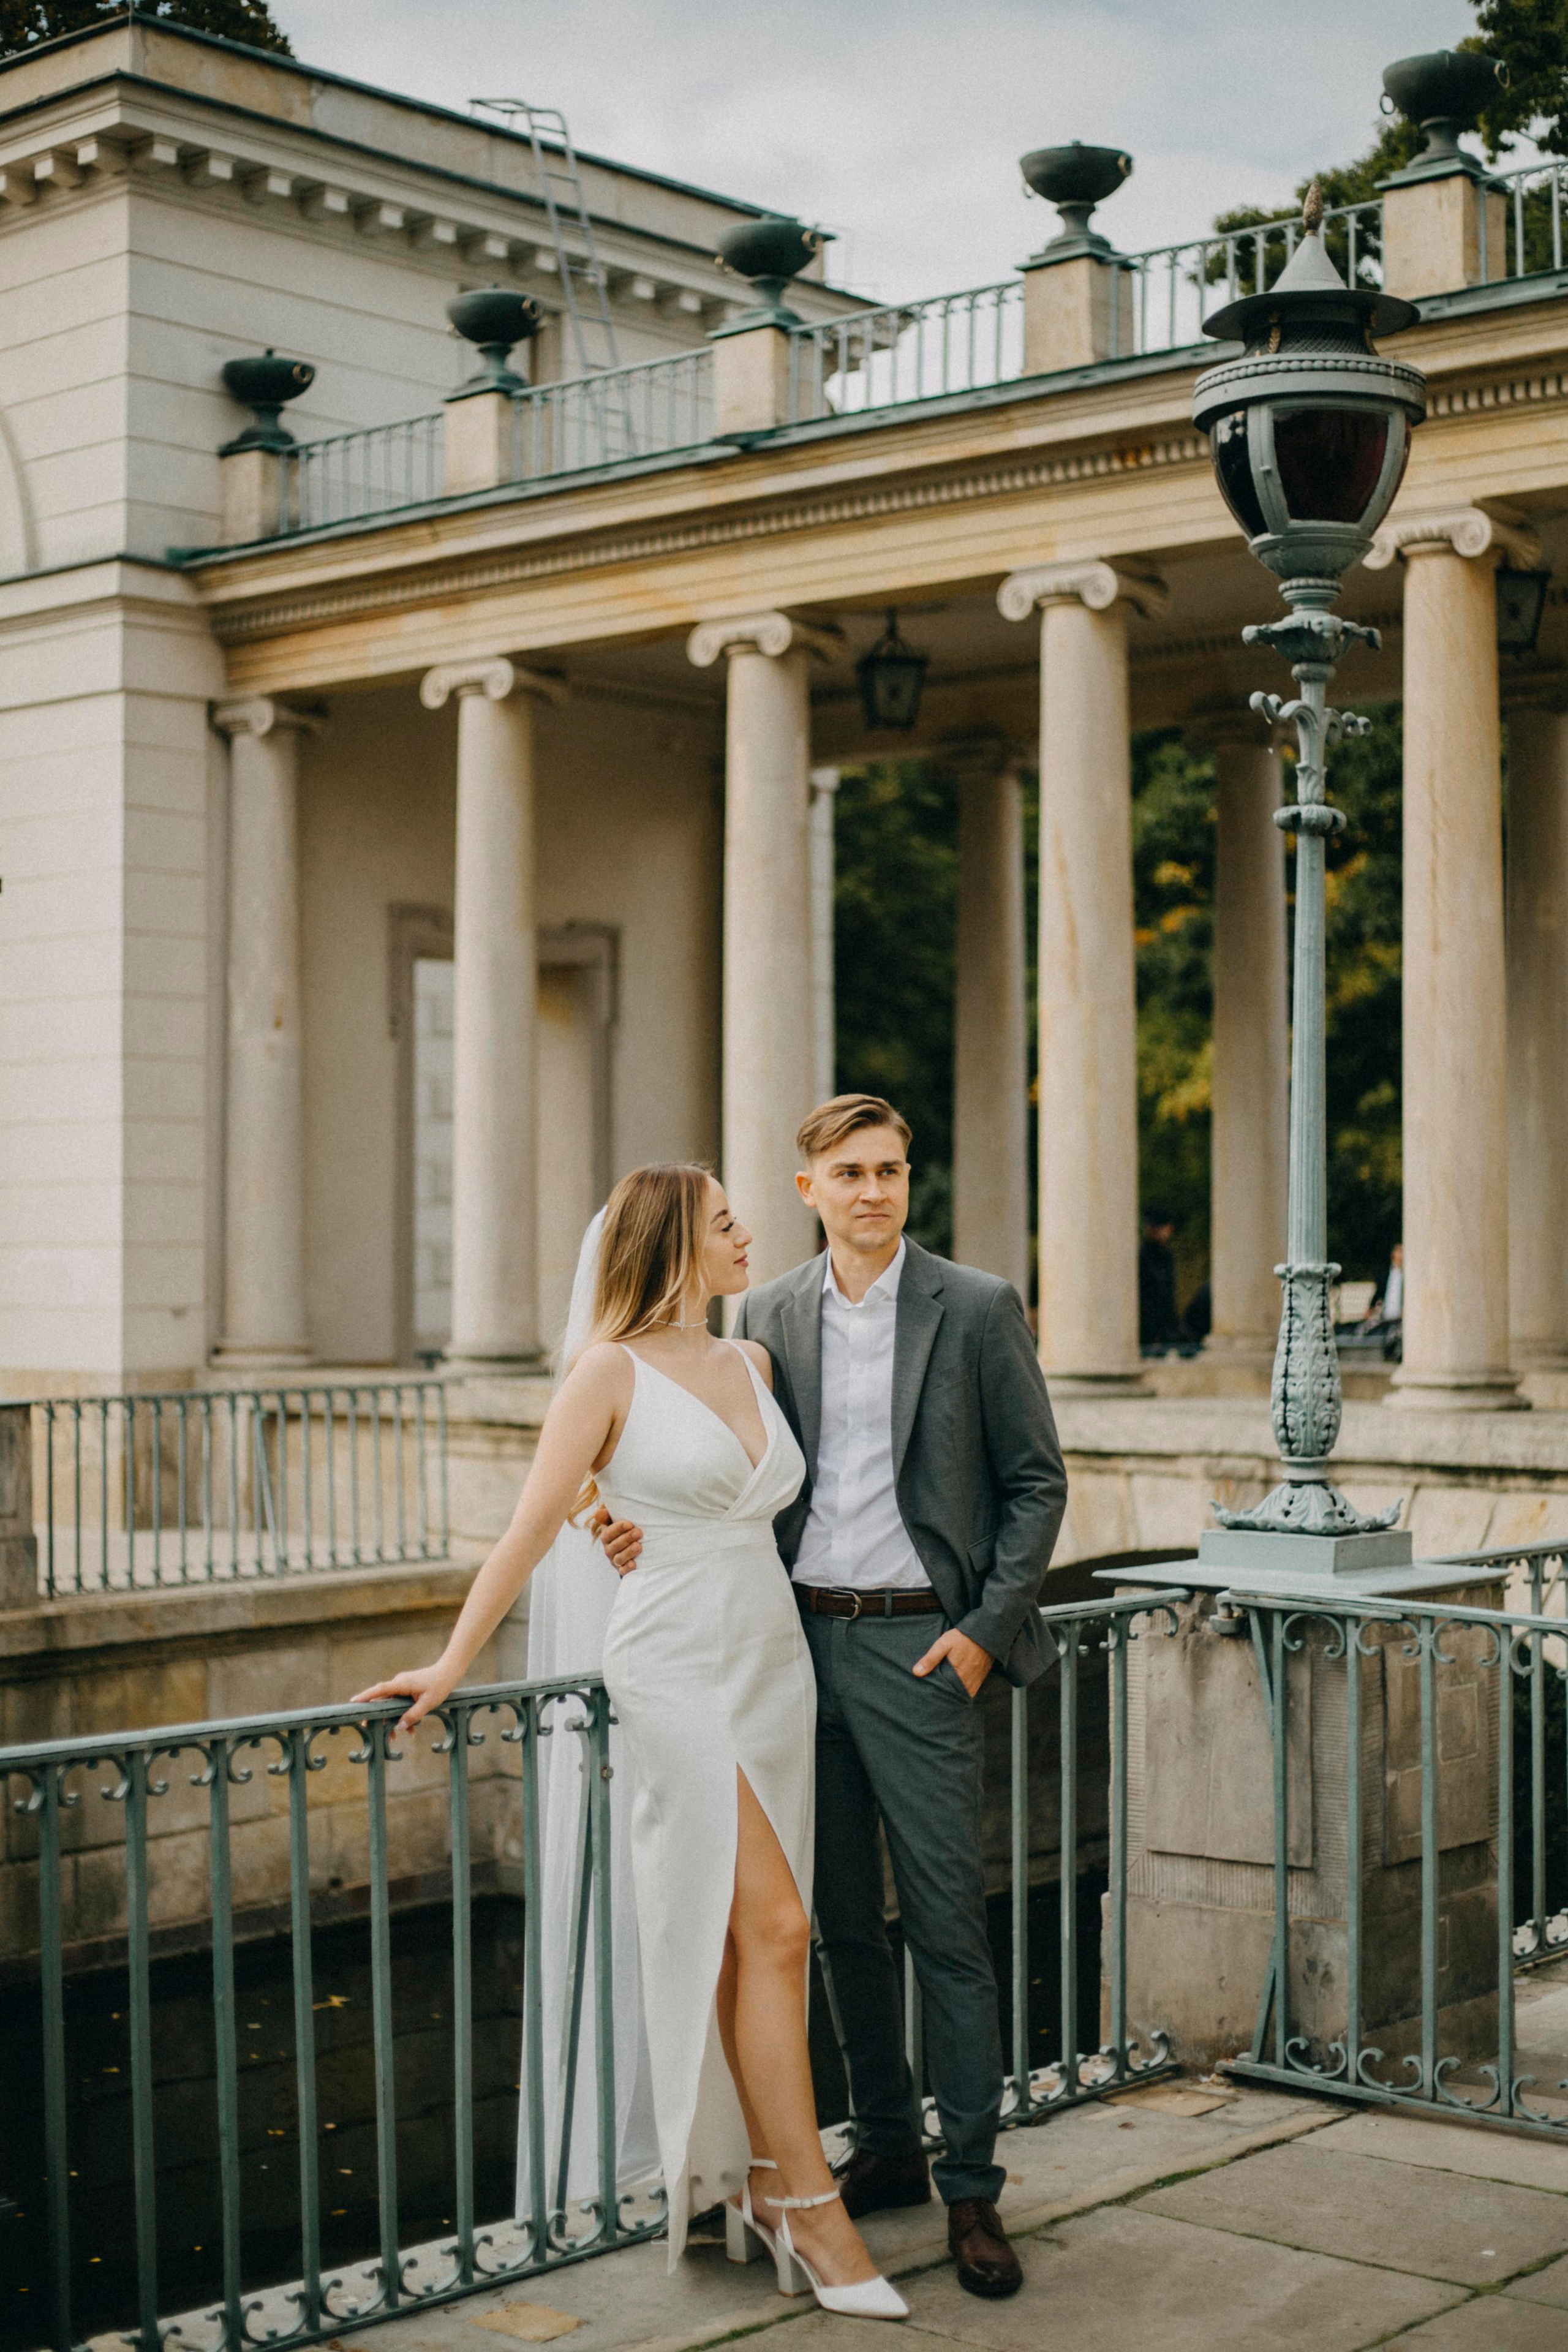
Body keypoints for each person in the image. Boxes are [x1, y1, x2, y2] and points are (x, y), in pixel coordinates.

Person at [353, 1164, 908, 2323]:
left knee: (753, 1938)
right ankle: (812, 2206)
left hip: (771, 1660)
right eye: (724, 1222)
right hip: (674, 1662)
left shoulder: (752, 1362)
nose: (747, 1234)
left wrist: (608, 1511)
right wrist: (453, 1664)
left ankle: (758, 2181)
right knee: (779, 1925)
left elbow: (747, 1502)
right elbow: (531, 1519)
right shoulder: (605, 1371)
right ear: (671, 1241)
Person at [601, 1096, 1067, 2300]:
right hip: (789, 1650)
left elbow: (1035, 1483)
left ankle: (973, 2187)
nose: (873, 1191)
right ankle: (888, 2145)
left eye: (890, 1170)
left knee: (948, 1927)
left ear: (909, 1180)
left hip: (922, 1650)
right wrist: (606, 1519)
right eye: (849, 1173)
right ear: (808, 1189)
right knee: (837, 1926)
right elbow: (677, 1446)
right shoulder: (762, 1316)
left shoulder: (976, 1307)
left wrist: (981, 1635)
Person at [1137, 1207, 1182, 1352]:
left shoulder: (1166, 1256)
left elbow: (1168, 1295)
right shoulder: (1142, 1255)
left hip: (1164, 1326)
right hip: (1147, 1327)